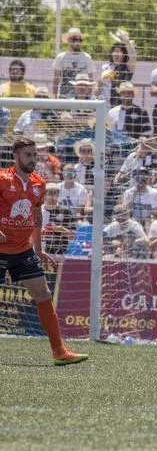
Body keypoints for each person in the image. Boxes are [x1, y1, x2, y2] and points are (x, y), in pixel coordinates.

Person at [0, 137, 87, 365]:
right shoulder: (2, 179)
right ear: (15, 156)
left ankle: (59, 351)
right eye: (27, 155)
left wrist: (38, 249)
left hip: (23, 250)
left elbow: (36, 217)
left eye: (34, 155)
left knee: (44, 294)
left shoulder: (39, 183)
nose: (32, 159)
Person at [52, 27, 94, 99]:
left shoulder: (87, 57)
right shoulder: (61, 57)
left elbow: (90, 80)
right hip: (64, 98)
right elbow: (56, 79)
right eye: (74, 39)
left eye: (80, 40)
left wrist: (88, 99)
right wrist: (54, 98)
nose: (77, 42)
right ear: (69, 40)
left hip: (81, 99)